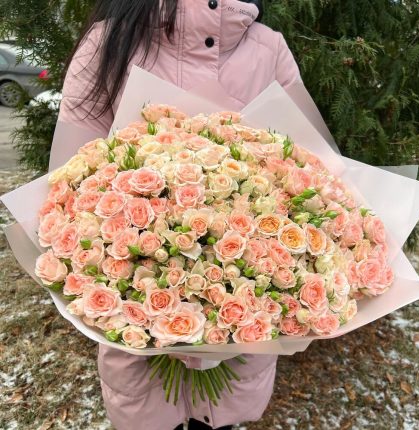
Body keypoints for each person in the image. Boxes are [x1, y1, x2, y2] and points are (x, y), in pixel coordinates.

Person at [59, 1, 302, 429]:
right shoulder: (109, 40)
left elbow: (297, 169)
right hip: (134, 337)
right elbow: (70, 187)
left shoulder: (269, 49)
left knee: (222, 418)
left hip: (243, 332)